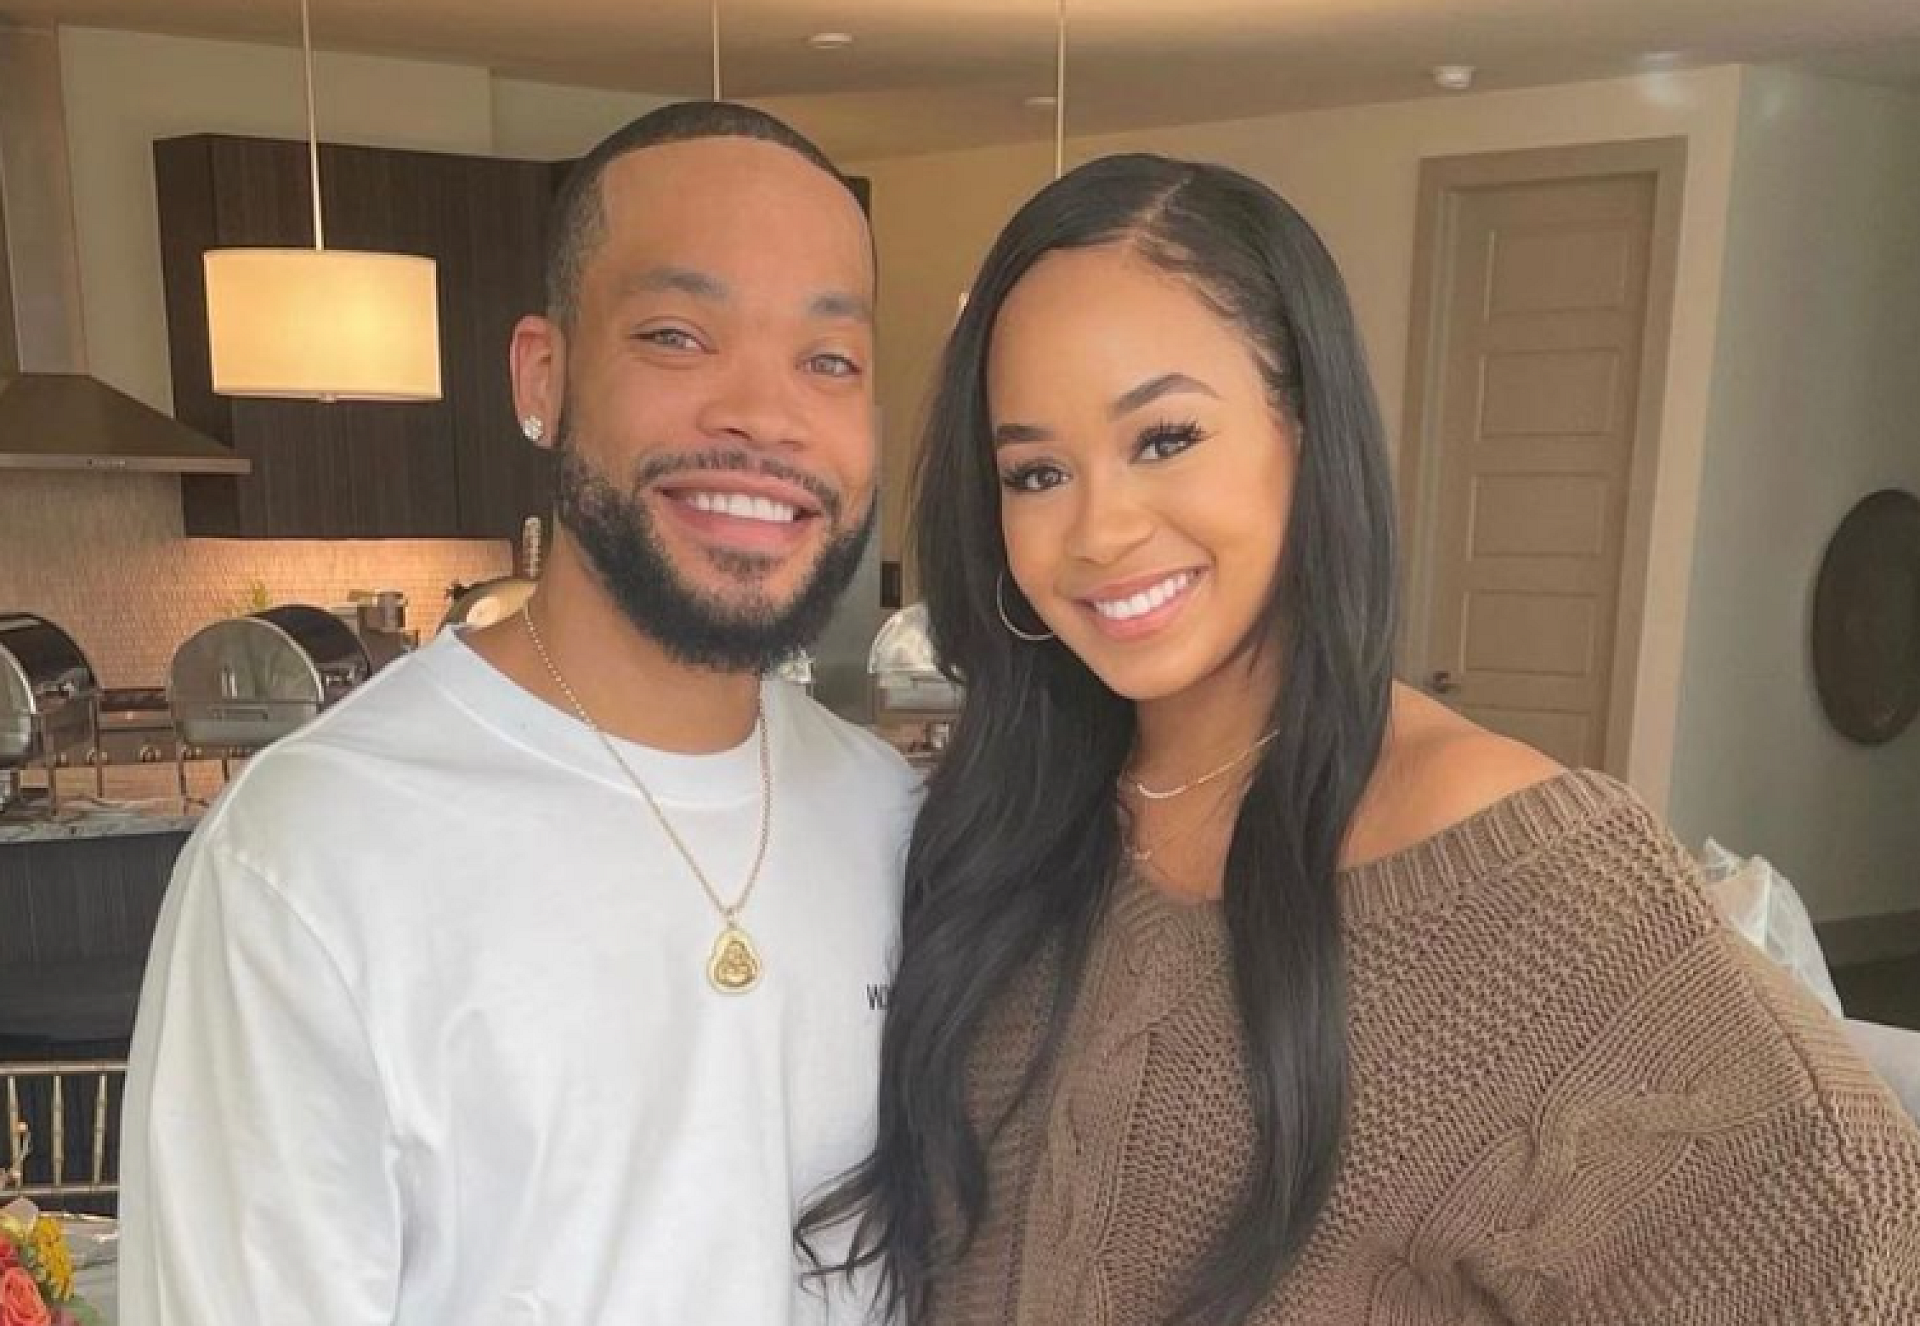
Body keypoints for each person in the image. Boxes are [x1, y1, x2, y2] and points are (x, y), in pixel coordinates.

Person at [802, 153, 1920, 1324]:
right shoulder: (1014, 822)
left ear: (1304, 430)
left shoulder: (1514, 869)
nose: (1099, 529)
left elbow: (1843, 1217)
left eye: (1165, 438)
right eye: (1036, 472)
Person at [121, 101, 918, 1325]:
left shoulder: (893, 817)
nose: (765, 415)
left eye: (830, 359)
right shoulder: (311, 859)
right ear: (543, 377)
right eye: (677, 335)